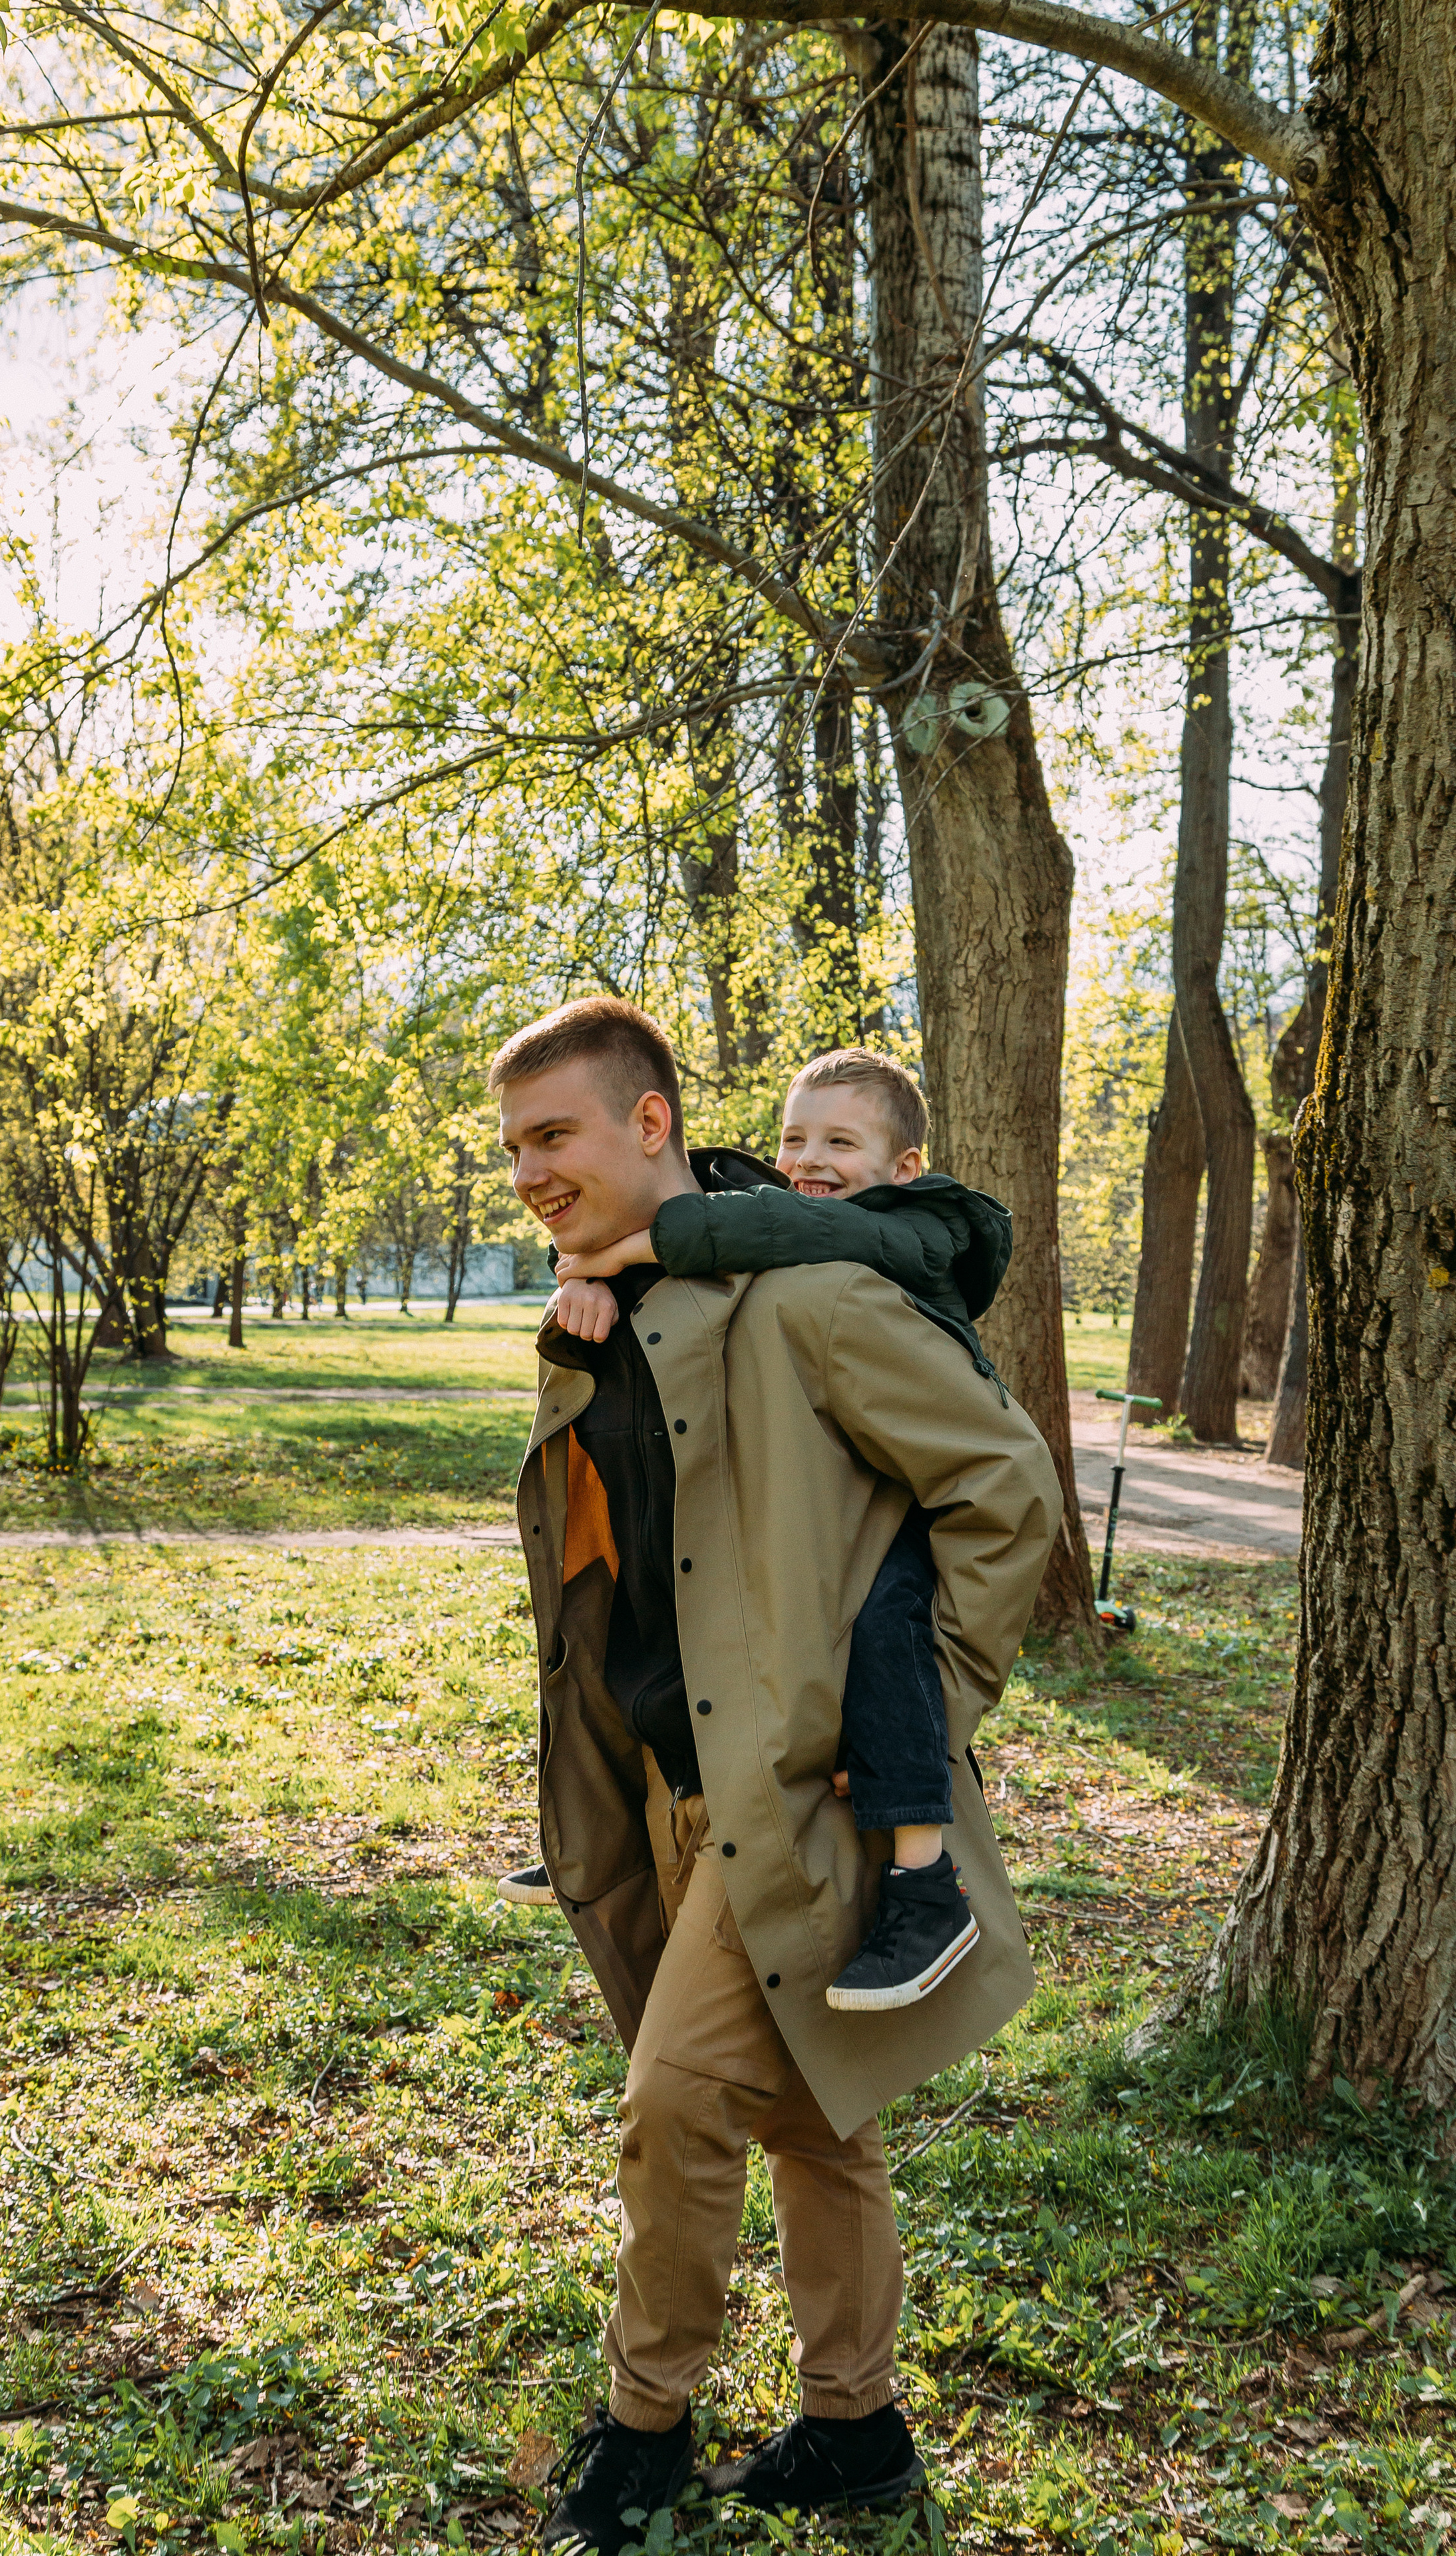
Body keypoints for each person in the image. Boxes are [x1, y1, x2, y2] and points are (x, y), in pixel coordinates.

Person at [493, 996, 1059, 2555]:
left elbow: (1005, 1489)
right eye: (515, 1146)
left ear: (650, 1122)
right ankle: (856, 2428)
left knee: (671, 2102)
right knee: (817, 2113)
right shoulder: (612, 1300)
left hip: (794, 1795)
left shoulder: (805, 1294)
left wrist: (915, 1724)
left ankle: (641, 2434)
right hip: (670, 1789)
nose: (530, 1170)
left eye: (556, 1136)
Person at [504, 1046, 1014, 2012]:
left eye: (840, 1143)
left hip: (896, 1502)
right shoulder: (796, 1233)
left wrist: (631, 1247)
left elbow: (764, 1225)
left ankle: (926, 1880)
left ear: (905, 1167)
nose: (808, 1160)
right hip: (827, 1509)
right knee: (817, 2127)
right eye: (794, 1139)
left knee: (884, 1627)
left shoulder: (909, 1231)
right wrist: (600, 1283)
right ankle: (596, 1834)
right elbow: (746, 1230)